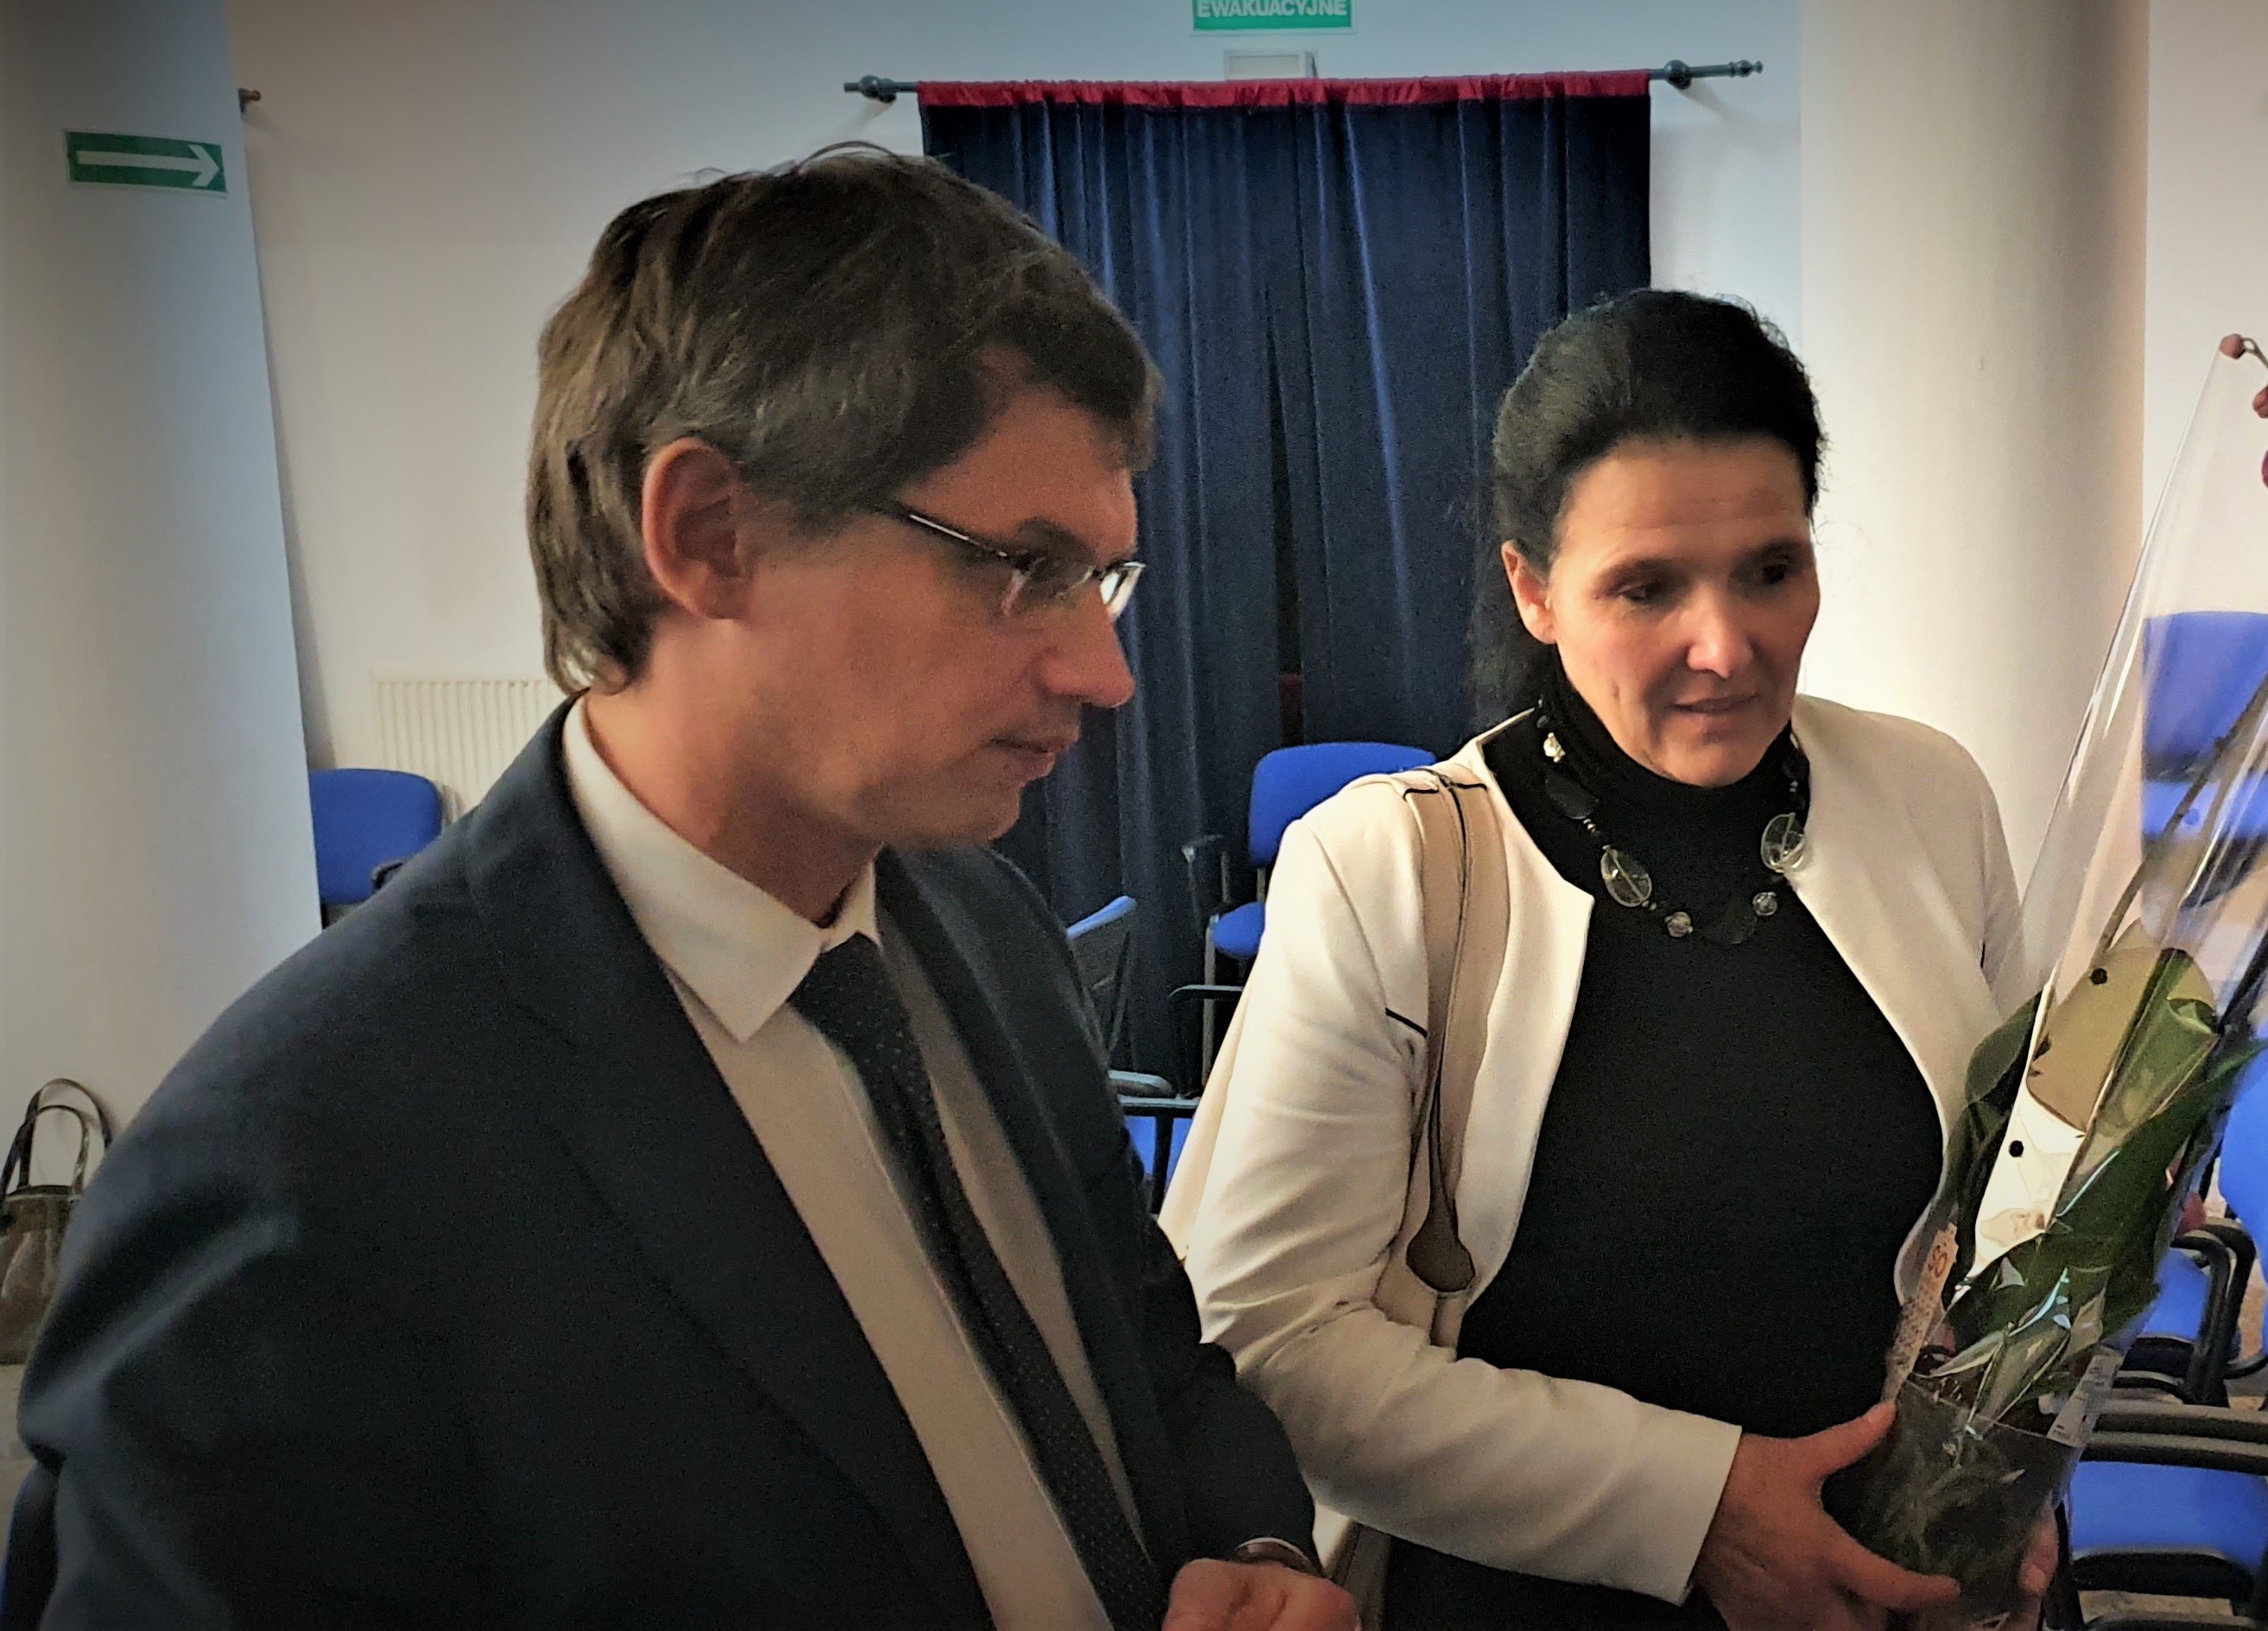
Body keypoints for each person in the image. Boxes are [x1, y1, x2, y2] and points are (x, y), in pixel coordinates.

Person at [14, 149, 1351, 1631]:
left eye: (1103, 579)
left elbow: (1144, 1345)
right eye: (1023, 567)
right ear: (711, 534)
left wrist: (1255, 1547)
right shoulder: (301, 1168)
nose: (1104, 673)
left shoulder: (983, 925)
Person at [1164, 291, 2035, 1630]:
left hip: (1866, 1587)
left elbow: (2008, 1202)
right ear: (1533, 588)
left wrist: (2004, 1470)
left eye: (1770, 569)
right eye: (1647, 587)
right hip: (1518, 1596)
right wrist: (1702, 1510)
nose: (1725, 646)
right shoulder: (1390, 867)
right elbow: (1271, 1338)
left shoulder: (1929, 797)